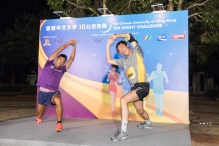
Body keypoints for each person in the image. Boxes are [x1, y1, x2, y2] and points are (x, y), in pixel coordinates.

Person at [106, 33, 153, 141]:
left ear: (127, 45)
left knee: (123, 100)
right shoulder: (123, 61)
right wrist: (108, 45)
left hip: (143, 86)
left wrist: (115, 36)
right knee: (140, 110)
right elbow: (109, 60)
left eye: (122, 47)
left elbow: (128, 35)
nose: (121, 50)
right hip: (135, 88)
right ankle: (149, 123)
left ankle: (123, 131)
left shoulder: (137, 52)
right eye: (119, 50)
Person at [36, 39, 77, 132]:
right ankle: (38, 117)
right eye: (60, 59)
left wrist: (74, 46)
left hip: (53, 93)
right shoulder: (48, 64)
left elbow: (71, 58)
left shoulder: (62, 69)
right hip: (43, 93)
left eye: (63, 61)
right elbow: (57, 51)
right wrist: (68, 43)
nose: (61, 62)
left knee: (58, 100)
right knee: (39, 115)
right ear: (57, 59)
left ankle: (59, 123)